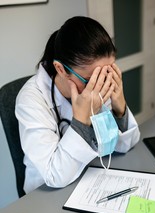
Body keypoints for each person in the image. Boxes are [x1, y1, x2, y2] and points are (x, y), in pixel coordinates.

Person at [15, 16, 140, 194]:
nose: (101, 84)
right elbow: (54, 176)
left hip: (90, 180)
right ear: (60, 69)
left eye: (107, 73)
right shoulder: (31, 100)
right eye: (91, 80)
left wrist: (119, 105)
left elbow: (127, 144)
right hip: (46, 194)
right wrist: (81, 120)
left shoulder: (96, 86)